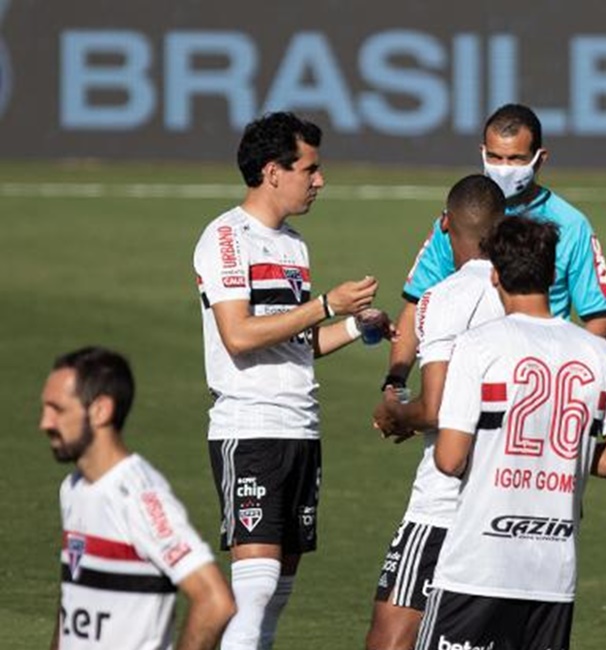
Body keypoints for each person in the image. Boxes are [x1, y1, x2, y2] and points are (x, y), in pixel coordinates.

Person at [193, 111, 388, 649]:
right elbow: (239, 335)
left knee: (276, 595)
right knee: (252, 593)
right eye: (311, 169)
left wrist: (353, 326)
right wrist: (326, 303)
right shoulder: (228, 239)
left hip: (300, 430)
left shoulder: (294, 245)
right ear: (274, 171)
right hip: (250, 427)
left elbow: (295, 343)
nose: (319, 181)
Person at [415, 216, 606, 650]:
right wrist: (560, 453)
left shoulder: (478, 345)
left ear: (496, 275)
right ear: (552, 273)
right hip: (552, 576)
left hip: (478, 566)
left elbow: (449, 459)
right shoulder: (600, 354)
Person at [383, 103, 606, 391]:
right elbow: (416, 304)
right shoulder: (459, 218)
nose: (504, 169)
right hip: (469, 380)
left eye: (516, 159)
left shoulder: (571, 225)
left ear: (539, 159)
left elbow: (599, 319)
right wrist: (395, 384)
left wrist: (568, 385)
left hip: (539, 382)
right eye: (494, 157)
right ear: (482, 152)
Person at [366, 175, 507, 650]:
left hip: (446, 505)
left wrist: (395, 414)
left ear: (445, 224)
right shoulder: (531, 298)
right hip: (512, 501)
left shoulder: (444, 296)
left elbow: (439, 408)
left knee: (391, 634)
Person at [41, 346, 235, 650]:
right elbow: (74, 601)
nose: (45, 423)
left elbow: (215, 601)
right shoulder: (73, 488)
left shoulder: (139, 497)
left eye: (58, 410)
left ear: (100, 410)